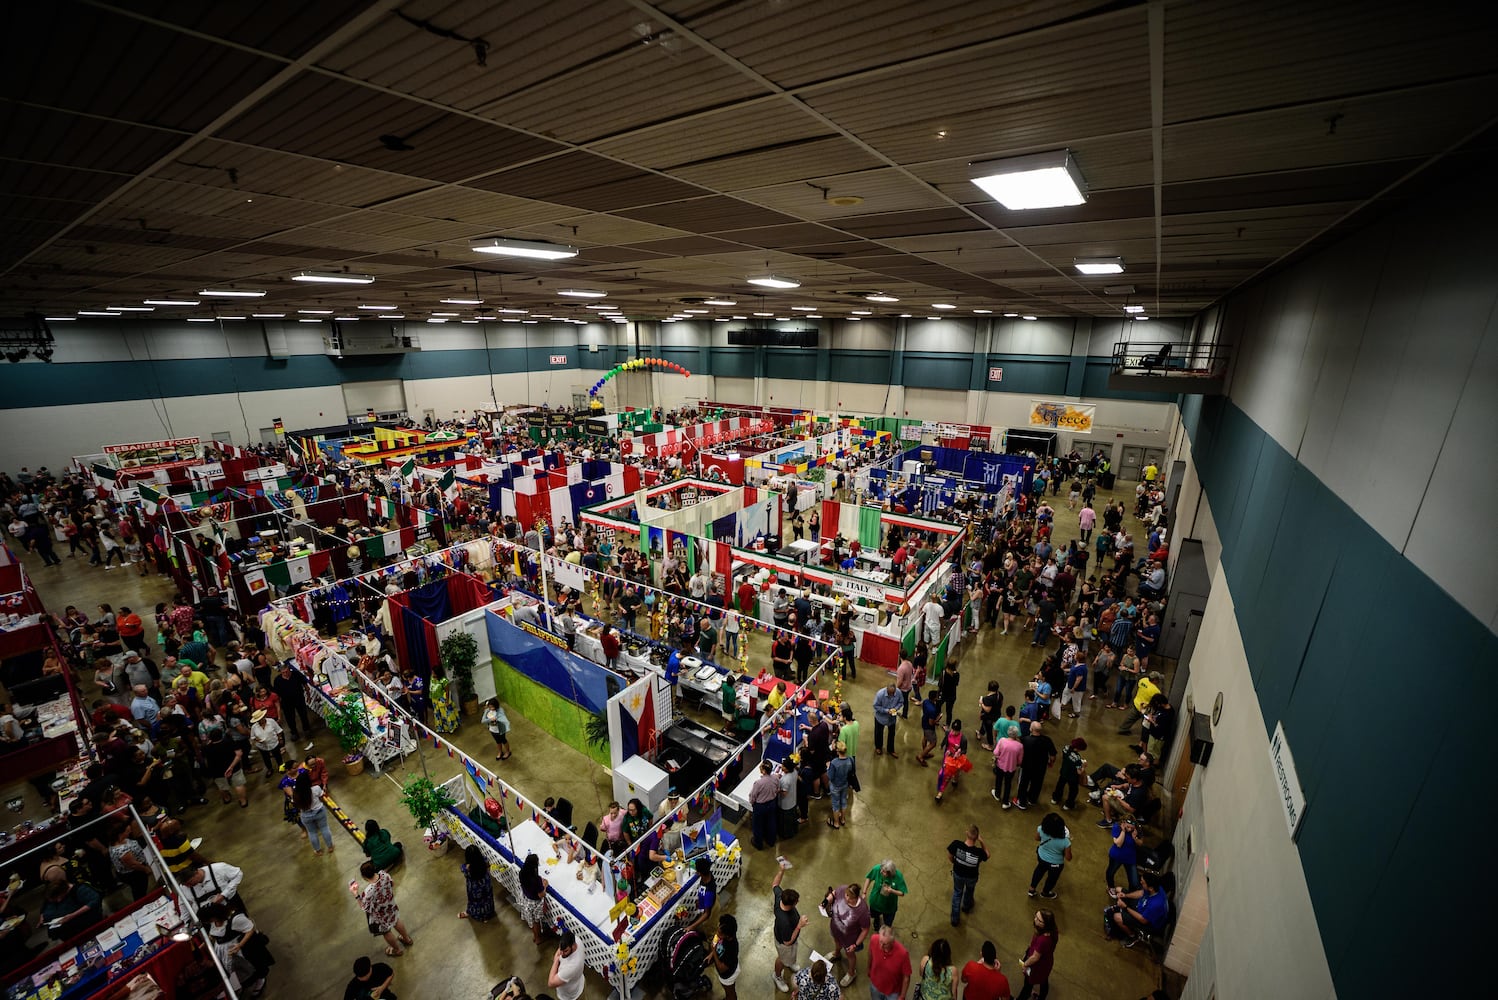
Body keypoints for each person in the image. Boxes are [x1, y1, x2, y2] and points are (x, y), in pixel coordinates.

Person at [202, 901, 273, 995]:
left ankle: (260, 980)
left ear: (215, 915)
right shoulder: (215, 921)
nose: (209, 922)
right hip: (224, 951)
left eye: (209, 920)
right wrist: (207, 940)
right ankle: (236, 987)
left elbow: (250, 929)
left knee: (250, 968)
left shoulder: (235, 918)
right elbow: (215, 932)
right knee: (231, 971)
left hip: (240, 949)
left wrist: (240, 945)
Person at [356, 861, 413, 957]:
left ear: (364, 877)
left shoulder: (368, 891)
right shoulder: (384, 874)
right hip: (390, 906)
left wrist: (355, 894)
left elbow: (364, 907)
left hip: (381, 916)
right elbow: (392, 884)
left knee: (386, 931)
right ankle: (407, 939)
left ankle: (397, 950)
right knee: (396, 921)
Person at [822, 882, 870, 987]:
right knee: (836, 941)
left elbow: (865, 930)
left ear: (857, 897)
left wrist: (855, 945)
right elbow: (834, 893)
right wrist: (826, 901)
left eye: (851, 898)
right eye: (846, 895)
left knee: (850, 955)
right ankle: (837, 953)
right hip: (836, 929)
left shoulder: (862, 911)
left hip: (850, 939)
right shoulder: (843, 889)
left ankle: (851, 973)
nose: (847, 899)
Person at [772, 862, 809, 993]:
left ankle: (790, 962)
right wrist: (799, 926)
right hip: (785, 943)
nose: (798, 902)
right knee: (782, 959)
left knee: (788, 958)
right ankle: (777, 976)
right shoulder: (785, 922)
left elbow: (775, 884)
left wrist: (781, 871)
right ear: (791, 904)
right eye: (796, 902)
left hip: (785, 936)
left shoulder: (779, 897)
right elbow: (788, 942)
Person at [1105, 870, 1170, 945]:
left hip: (1148, 924)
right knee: (1118, 889)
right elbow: (1141, 893)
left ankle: (1132, 936)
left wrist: (1125, 907)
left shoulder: (1155, 905)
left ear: (1150, 888)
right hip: (1142, 907)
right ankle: (1122, 911)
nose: (1141, 882)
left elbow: (1143, 920)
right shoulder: (1156, 888)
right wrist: (1126, 895)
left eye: (1143, 882)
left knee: (1117, 917)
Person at [946, 824, 989, 927]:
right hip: (971, 877)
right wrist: (982, 841)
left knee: (957, 893)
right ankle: (966, 907)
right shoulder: (978, 852)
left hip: (958, 874)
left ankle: (955, 919)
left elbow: (950, 856)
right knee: (969, 891)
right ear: (977, 837)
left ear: (966, 833)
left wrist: (955, 863)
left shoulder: (956, 844)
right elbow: (987, 855)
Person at [1027, 813, 1073, 899]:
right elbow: (1068, 858)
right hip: (1056, 864)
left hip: (1041, 857)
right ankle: (1045, 892)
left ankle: (1031, 889)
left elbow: (1036, 838)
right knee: (1052, 878)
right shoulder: (1066, 842)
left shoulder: (1040, 829)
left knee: (1039, 871)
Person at [1015, 910, 1059, 1000]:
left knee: (1027, 985)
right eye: (1035, 916)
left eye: (1039, 920)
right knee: (1044, 981)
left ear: (1045, 924)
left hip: (1037, 967)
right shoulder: (1053, 931)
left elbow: (1035, 957)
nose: (1035, 920)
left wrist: (1025, 964)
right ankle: (1042, 997)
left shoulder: (1043, 940)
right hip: (1046, 963)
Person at [866, 922, 911, 1000]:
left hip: (893, 992)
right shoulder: (874, 939)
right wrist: (869, 968)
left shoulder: (903, 954)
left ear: (892, 942)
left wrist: (902, 996)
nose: (881, 946)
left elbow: (906, 977)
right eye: (880, 941)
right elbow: (870, 955)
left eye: (885, 944)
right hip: (875, 985)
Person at [293, 771, 335, 855]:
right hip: (319, 812)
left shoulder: (296, 794)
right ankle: (330, 847)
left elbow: (295, 805)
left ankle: (318, 851)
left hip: (306, 815)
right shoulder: (315, 789)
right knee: (324, 828)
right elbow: (323, 796)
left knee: (312, 832)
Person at [863, 859, 907, 931]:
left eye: (884, 872)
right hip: (876, 902)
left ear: (890, 873)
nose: (881, 872)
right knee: (874, 915)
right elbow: (869, 878)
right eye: (881, 869)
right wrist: (864, 892)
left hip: (889, 907)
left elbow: (902, 893)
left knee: (887, 924)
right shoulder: (877, 868)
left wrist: (892, 891)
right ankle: (877, 920)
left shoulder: (898, 876)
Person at [517, 853, 548, 946]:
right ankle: (538, 938)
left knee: (530, 919)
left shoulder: (522, 873)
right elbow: (541, 894)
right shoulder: (536, 879)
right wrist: (545, 886)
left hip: (526, 899)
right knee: (536, 921)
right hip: (535, 902)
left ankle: (535, 936)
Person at [546, 929, 586, 1000]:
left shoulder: (572, 966)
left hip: (571, 996)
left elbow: (551, 983)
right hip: (578, 983)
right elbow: (559, 951)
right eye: (561, 949)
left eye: (565, 951)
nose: (561, 953)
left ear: (573, 946)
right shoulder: (576, 940)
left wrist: (556, 961)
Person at [750, 759, 780, 850]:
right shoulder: (775, 778)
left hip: (760, 807)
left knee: (758, 824)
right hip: (772, 804)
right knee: (771, 822)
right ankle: (771, 841)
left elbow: (753, 796)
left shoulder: (758, 783)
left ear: (763, 770)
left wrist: (753, 803)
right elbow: (777, 788)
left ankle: (758, 843)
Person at [992, 724, 1024, 808]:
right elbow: (1020, 760)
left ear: (1008, 732)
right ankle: (1005, 802)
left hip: (1000, 765)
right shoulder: (1020, 746)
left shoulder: (1002, 741)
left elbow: (995, 752)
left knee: (998, 780)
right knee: (1008, 784)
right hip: (1011, 768)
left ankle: (997, 794)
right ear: (1016, 735)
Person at [1051, 738, 1087, 811]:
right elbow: (1079, 772)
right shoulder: (1077, 758)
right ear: (1077, 748)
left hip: (1064, 771)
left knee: (1060, 785)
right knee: (1073, 790)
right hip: (1072, 777)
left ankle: (1055, 799)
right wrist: (1083, 766)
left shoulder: (1066, 748)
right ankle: (1068, 804)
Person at [825, 740, 855, 829]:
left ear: (837, 751)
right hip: (845, 784)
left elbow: (830, 776)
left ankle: (836, 823)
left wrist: (828, 767)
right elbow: (852, 771)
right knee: (844, 802)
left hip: (835, 786)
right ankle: (842, 819)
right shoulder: (850, 759)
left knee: (835, 804)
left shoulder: (834, 762)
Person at [1106, 817, 1141, 891]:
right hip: (1117, 856)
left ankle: (1131, 895)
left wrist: (1135, 838)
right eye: (1128, 827)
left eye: (1132, 828)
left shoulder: (1137, 829)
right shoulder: (1117, 827)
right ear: (1123, 823)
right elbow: (1118, 844)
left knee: (1134, 882)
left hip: (1130, 858)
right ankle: (1110, 887)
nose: (1130, 829)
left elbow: (1140, 843)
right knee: (1111, 872)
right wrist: (1123, 831)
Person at [711, 914, 740, 1000]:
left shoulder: (731, 949)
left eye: (719, 933)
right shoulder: (728, 935)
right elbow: (718, 944)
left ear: (727, 936)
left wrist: (713, 951)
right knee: (730, 990)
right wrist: (711, 954)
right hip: (730, 968)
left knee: (730, 992)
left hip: (728, 975)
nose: (717, 933)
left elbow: (721, 968)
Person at [872, 683, 902, 757]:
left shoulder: (898, 692)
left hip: (892, 718)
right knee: (878, 733)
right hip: (880, 718)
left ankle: (890, 749)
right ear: (887, 690)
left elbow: (901, 702)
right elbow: (875, 706)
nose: (892, 695)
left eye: (893, 693)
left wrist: (895, 709)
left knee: (892, 734)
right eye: (890, 693)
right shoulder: (880, 694)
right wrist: (886, 711)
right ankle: (878, 747)